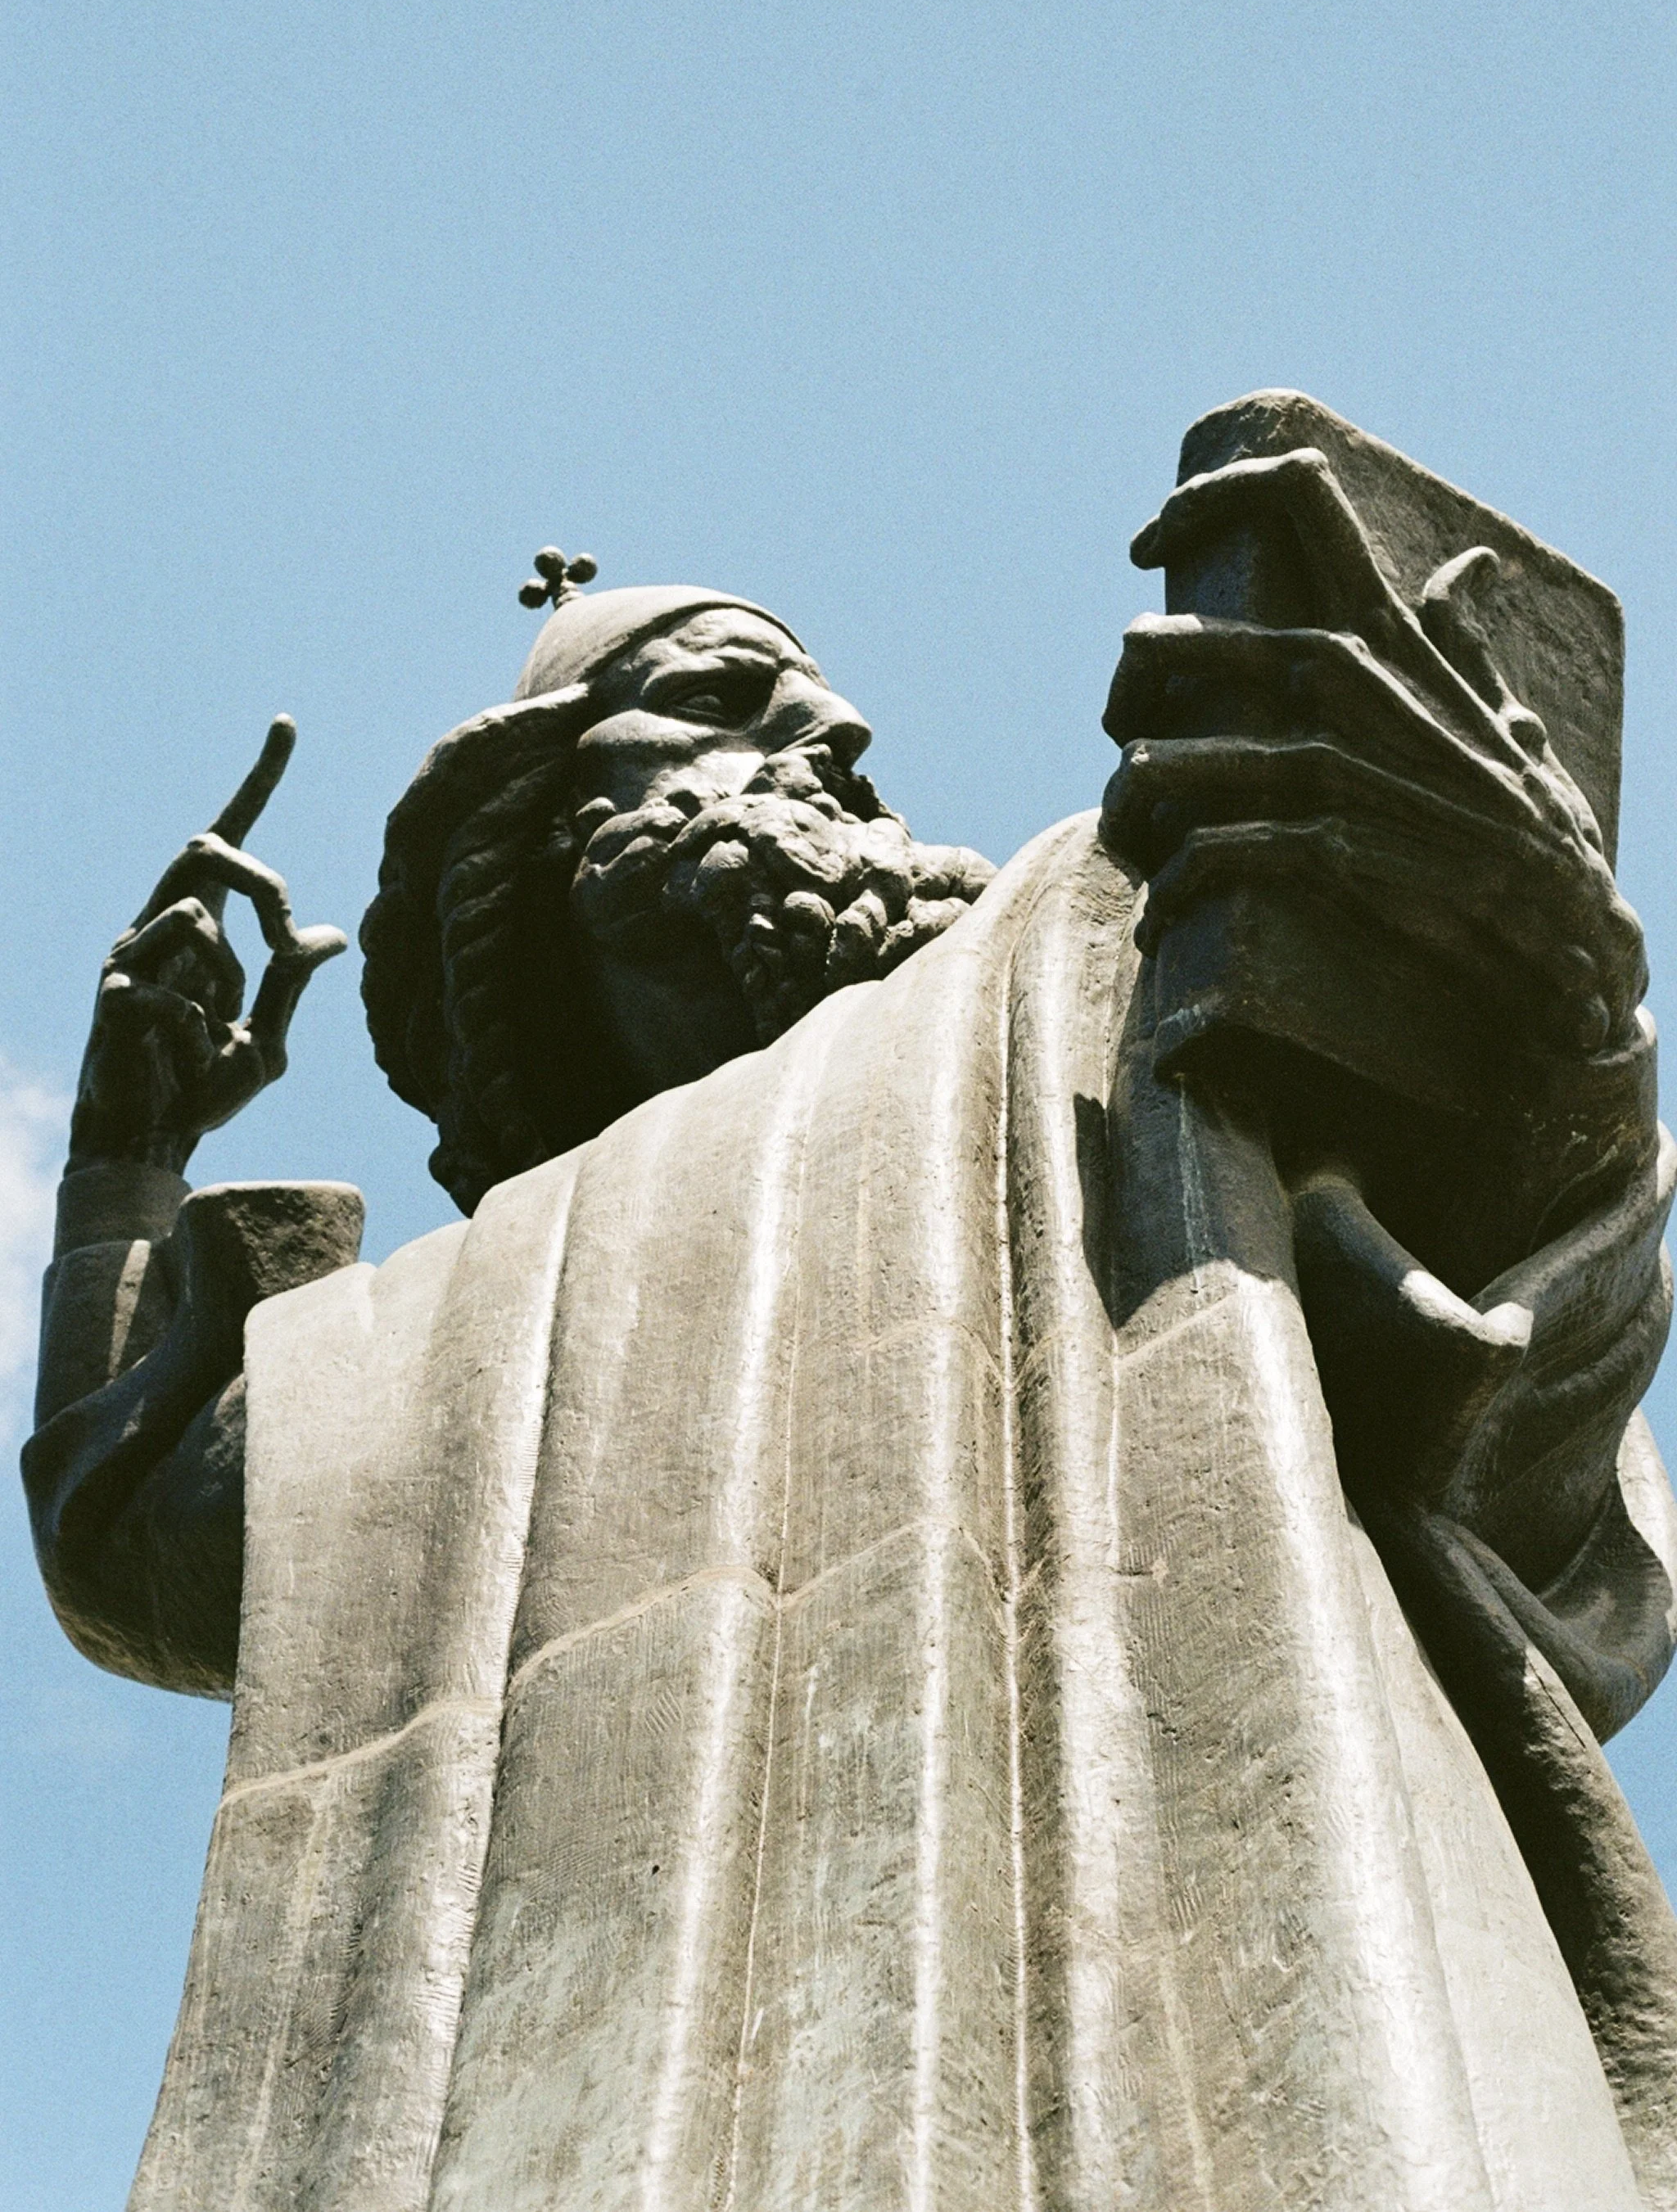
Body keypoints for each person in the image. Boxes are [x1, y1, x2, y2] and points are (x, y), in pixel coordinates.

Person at [25, 440, 1677, 2211]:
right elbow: (145, 1554)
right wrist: (121, 1173)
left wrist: (1555, 1008)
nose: (843, 733)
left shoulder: (1106, 956)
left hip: (1194, 2007)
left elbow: (1501, 1350)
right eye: (735, 696)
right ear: (551, 841)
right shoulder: (412, 1337)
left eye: (823, 695)